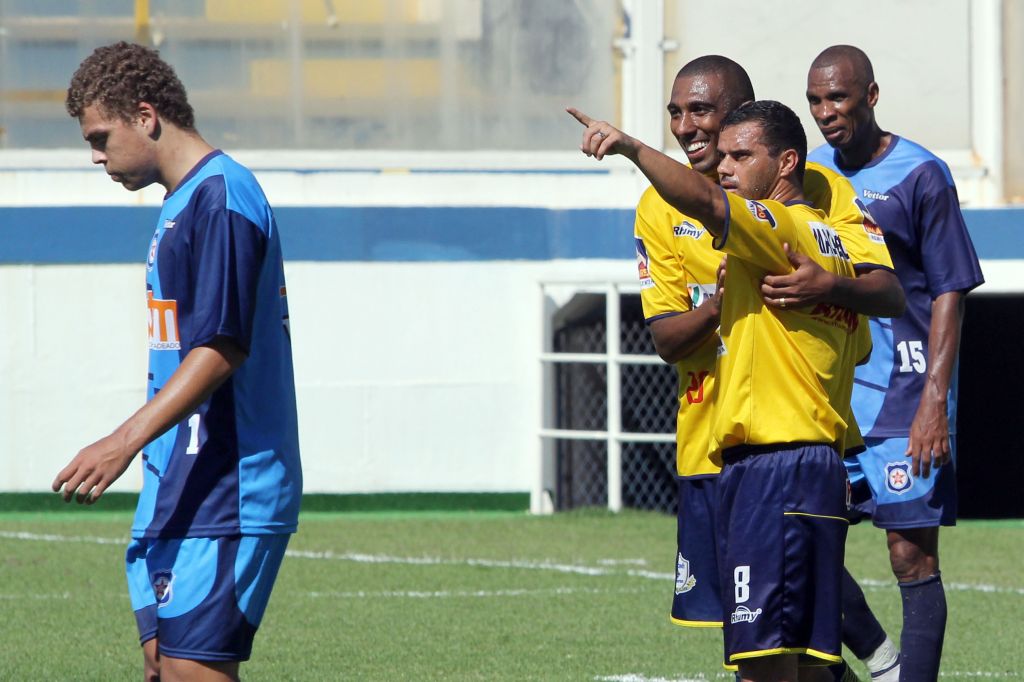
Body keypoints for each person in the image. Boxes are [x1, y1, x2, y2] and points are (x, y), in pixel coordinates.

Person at [570, 100, 870, 682]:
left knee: (762, 668)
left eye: (740, 155)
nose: (724, 168)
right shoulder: (838, 245)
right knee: (807, 663)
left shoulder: (775, 226)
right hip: (814, 463)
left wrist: (632, 149)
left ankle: (886, 662)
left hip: (773, 468)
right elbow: (868, 331)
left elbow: (707, 203)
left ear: (786, 164)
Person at [636, 55, 903, 681]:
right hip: (713, 440)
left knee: (768, 644)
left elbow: (876, 293)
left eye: (700, 111)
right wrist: (721, 304)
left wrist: (824, 287)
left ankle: (882, 657)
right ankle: (878, 659)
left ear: (743, 118)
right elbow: (667, 338)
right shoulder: (658, 206)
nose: (686, 127)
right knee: (776, 633)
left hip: (784, 438)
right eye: (675, 113)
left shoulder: (807, 196)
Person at [52, 42, 302, 682]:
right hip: (182, 482)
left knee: (193, 672)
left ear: (145, 116)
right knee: (164, 668)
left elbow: (222, 348)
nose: (97, 156)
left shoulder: (222, 197)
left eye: (102, 136)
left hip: (229, 485)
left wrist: (122, 441)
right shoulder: (181, 203)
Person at [777, 44, 983, 681]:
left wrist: (934, 403)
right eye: (814, 100)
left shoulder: (922, 173)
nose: (825, 111)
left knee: (909, 557)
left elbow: (949, 288)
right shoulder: (807, 176)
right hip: (832, 393)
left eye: (837, 97)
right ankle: (878, 660)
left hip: (904, 395)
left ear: (870, 95)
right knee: (805, 544)